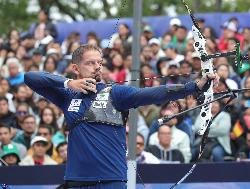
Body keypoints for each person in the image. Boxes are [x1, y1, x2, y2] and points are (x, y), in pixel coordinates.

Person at [24, 44, 218, 188]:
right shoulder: (67, 96)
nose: (97, 67)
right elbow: (30, 78)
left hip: (112, 181)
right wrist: (68, 83)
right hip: (76, 181)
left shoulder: (116, 93)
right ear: (76, 68)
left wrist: (194, 86)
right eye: (90, 63)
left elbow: (153, 93)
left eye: (99, 62)